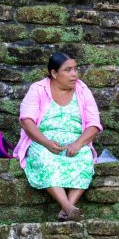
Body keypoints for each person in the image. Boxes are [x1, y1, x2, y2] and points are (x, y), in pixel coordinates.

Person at [15, 52, 103, 222]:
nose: (74, 74)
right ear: (54, 74)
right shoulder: (38, 89)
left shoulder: (82, 90)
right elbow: (26, 121)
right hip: (43, 142)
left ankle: (66, 209)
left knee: (85, 158)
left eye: (75, 69)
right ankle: (69, 207)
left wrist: (78, 144)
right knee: (43, 157)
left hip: (75, 143)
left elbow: (94, 124)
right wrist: (46, 143)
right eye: (68, 70)